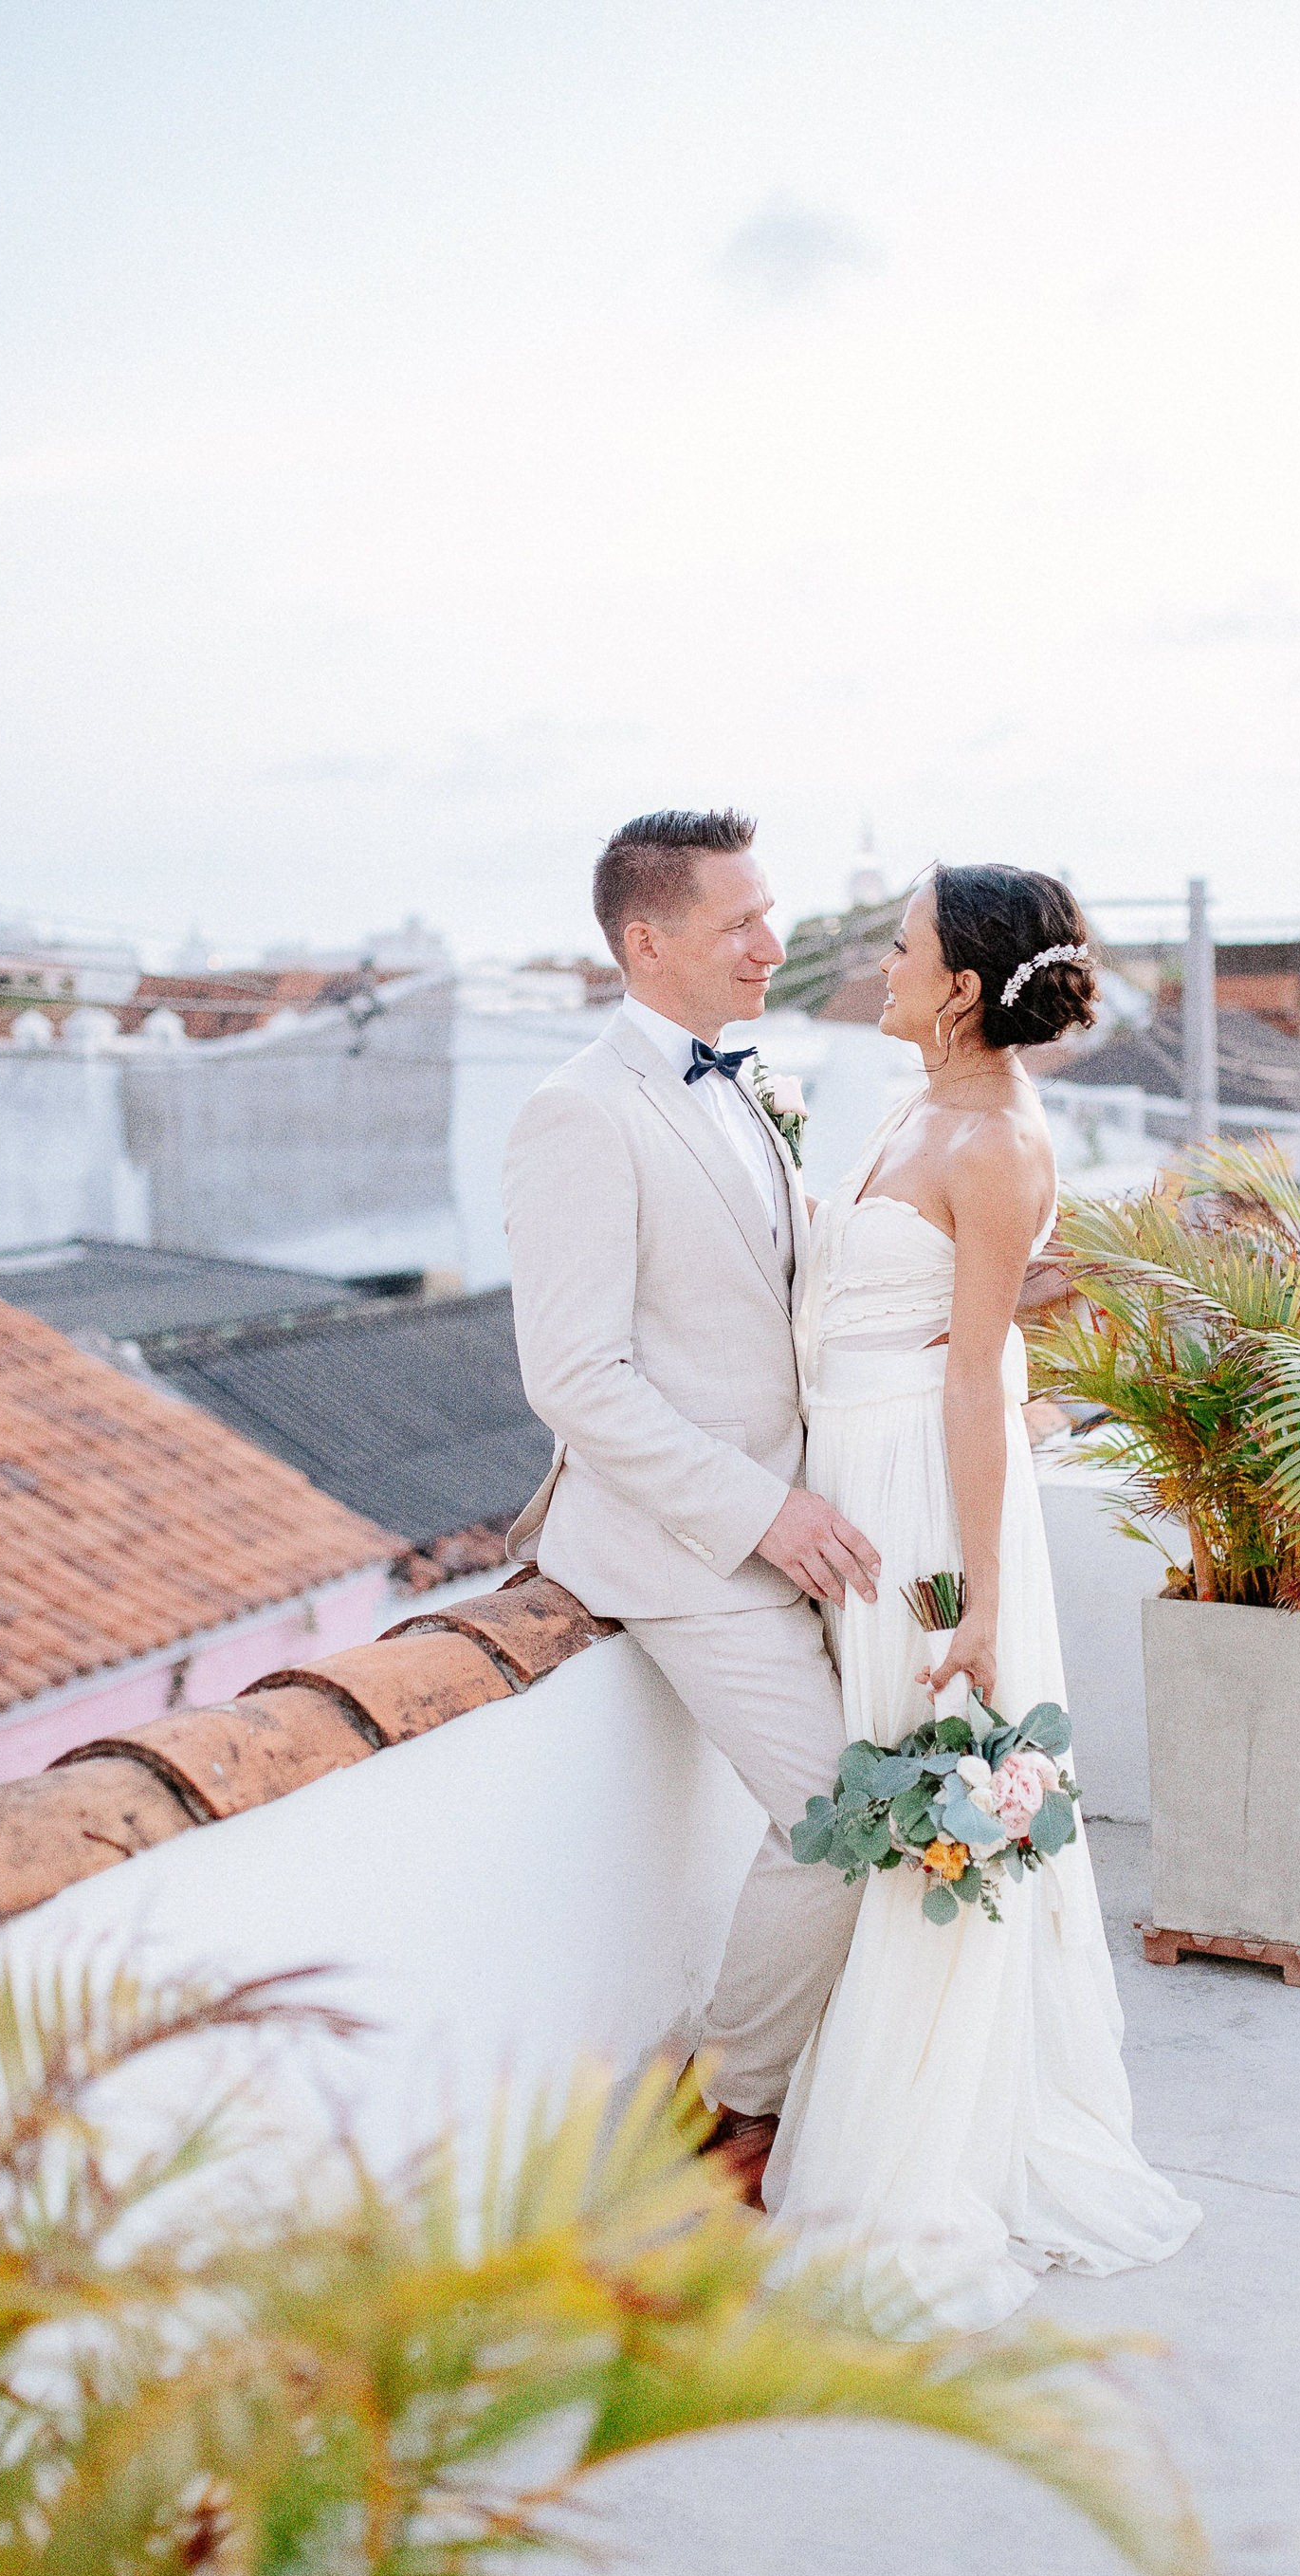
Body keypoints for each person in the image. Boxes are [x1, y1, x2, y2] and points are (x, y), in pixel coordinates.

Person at [762, 864, 1200, 2330]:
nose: (876, 964)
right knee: (879, 1778)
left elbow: (978, 1377)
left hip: (922, 1507)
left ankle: (918, 2149)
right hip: (857, 1460)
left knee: (910, 1784)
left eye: (899, 946)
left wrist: (985, 1605)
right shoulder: (919, 1107)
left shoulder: (1002, 1139)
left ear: (959, 985)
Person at [503, 808, 878, 2204]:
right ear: (646, 943)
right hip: (681, 1551)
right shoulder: (576, 1114)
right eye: (740, 923)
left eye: (769, 914)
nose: (772, 946)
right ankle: (727, 2104)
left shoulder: (744, 1084)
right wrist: (760, 1515)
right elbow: (578, 1380)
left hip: (802, 1523)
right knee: (845, 1817)